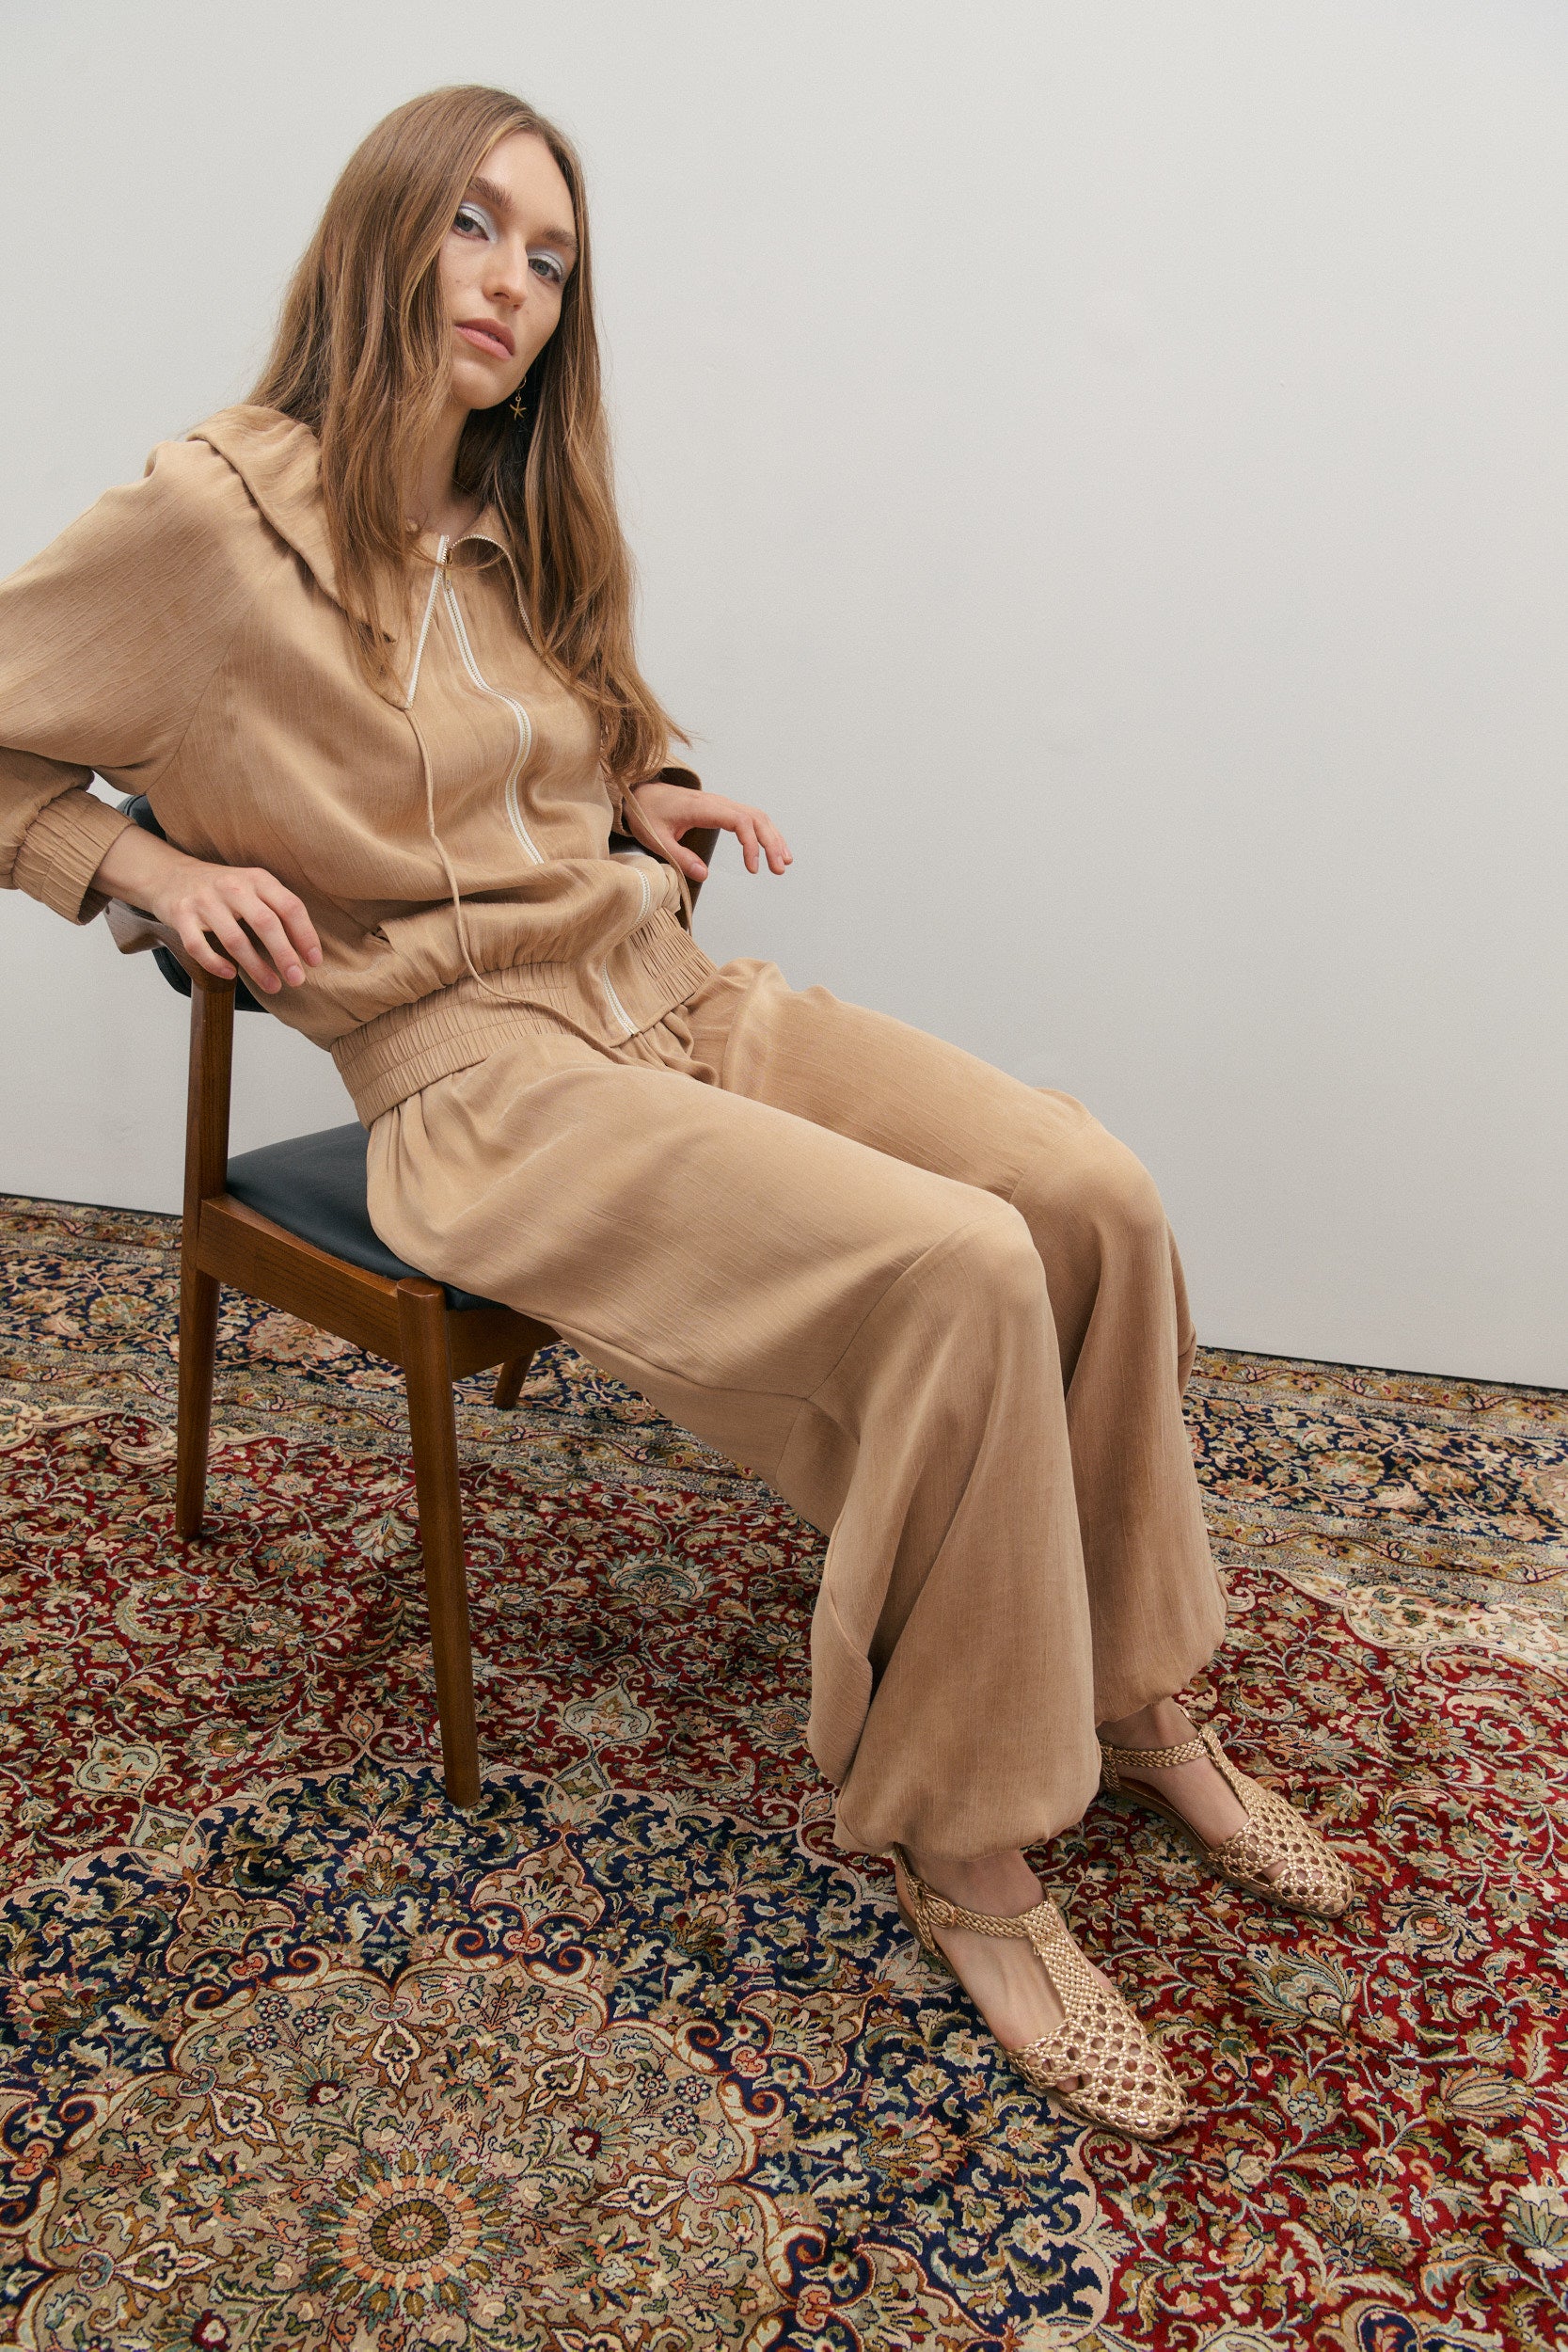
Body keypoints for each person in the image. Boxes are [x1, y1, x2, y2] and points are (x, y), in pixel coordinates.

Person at [0, 84, 1354, 2142]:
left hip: (673, 984)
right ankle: (967, 1840)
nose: (514, 288)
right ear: (384, 233)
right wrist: (144, 870)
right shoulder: (215, 525)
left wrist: (633, 792)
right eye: (476, 228)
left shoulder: (515, 508)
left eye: (550, 260)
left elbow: (518, 756)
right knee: (958, 1264)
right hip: (482, 1084)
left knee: (1085, 1186)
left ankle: (1130, 1681)